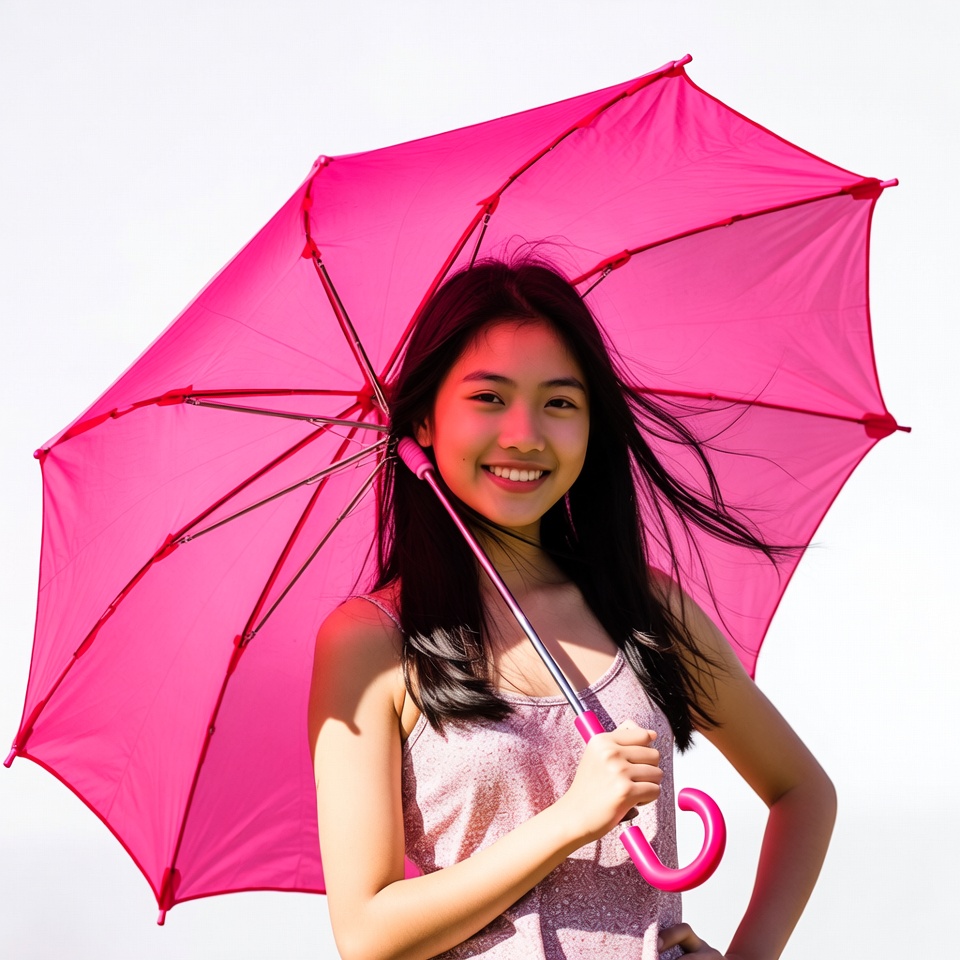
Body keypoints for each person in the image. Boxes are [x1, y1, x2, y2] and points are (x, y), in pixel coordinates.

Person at [308, 259, 836, 960]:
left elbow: (803, 791)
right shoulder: (371, 641)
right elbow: (367, 935)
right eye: (489, 399)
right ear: (424, 424)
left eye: (560, 402)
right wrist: (570, 820)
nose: (525, 434)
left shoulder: (647, 608)